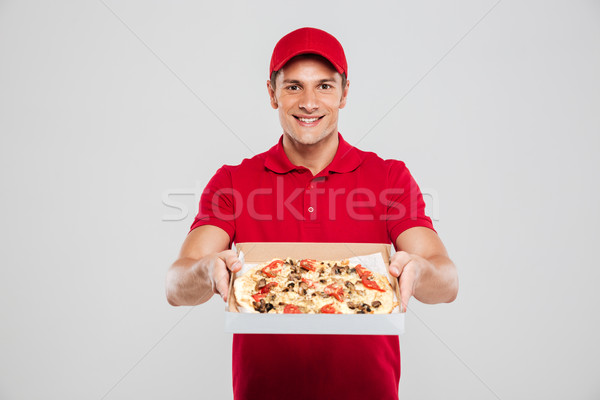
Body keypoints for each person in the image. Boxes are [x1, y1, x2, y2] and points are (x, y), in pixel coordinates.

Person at [166, 27, 458, 400]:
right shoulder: (233, 181)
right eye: (293, 87)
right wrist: (206, 271)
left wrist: (420, 271)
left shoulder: (389, 177)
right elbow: (175, 287)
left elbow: (447, 281)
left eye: (324, 86)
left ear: (344, 93)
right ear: (272, 94)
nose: (309, 102)